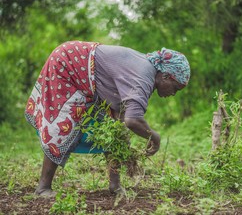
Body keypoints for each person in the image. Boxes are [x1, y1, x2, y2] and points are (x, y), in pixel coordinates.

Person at [25, 41, 190, 197]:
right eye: (175, 88)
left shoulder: (146, 71)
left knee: (113, 127)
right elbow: (133, 120)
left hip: (87, 76)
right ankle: (43, 188)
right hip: (67, 64)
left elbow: (123, 118)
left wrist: (127, 142)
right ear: (166, 76)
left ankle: (115, 185)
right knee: (63, 123)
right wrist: (155, 137)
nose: (173, 93)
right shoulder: (144, 77)